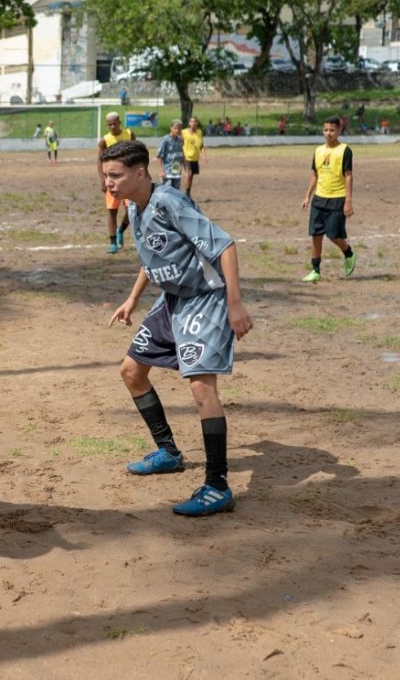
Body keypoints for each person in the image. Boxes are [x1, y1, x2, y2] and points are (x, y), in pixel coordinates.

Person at [103, 139, 253, 517]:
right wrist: (132, 300)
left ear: (140, 173)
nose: (109, 183)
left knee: (201, 386)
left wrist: (235, 305)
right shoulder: (135, 207)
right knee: (131, 371)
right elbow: (152, 257)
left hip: (205, 297)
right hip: (171, 299)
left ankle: (217, 485)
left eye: (116, 175)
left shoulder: (170, 201)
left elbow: (225, 245)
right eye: (106, 176)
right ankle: (169, 452)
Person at [300, 117, 356, 283]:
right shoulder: (318, 150)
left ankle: (349, 253)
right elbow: (315, 174)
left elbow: (348, 175)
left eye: (332, 130)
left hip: (337, 198)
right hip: (319, 199)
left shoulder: (345, 150)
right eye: (325, 130)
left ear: (339, 131)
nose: (328, 133)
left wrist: (348, 200)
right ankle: (315, 270)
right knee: (316, 234)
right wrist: (307, 196)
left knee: (333, 235)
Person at [99, 112, 133, 253]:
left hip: (127, 179)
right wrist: (103, 179)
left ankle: (121, 230)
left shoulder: (129, 134)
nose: (112, 126)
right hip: (112, 180)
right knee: (112, 211)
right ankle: (112, 242)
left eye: (114, 123)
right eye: (110, 124)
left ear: (119, 122)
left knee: (131, 211)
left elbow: (136, 153)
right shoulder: (105, 140)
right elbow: (100, 160)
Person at [181, 116, 207, 197]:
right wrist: (181, 155)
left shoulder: (199, 132)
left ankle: (188, 192)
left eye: (195, 122)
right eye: (192, 122)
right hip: (186, 157)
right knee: (189, 174)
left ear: (197, 123)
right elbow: (180, 144)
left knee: (191, 176)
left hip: (195, 158)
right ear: (189, 123)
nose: (193, 123)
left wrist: (204, 155)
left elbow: (201, 145)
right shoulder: (184, 132)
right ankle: (186, 194)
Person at [156, 119, 185, 189]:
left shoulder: (180, 140)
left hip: (177, 173)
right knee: (166, 193)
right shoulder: (165, 140)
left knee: (176, 194)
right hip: (167, 173)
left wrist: (186, 168)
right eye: (175, 128)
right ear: (171, 128)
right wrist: (161, 171)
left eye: (179, 128)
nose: (177, 130)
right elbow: (159, 156)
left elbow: (182, 155)